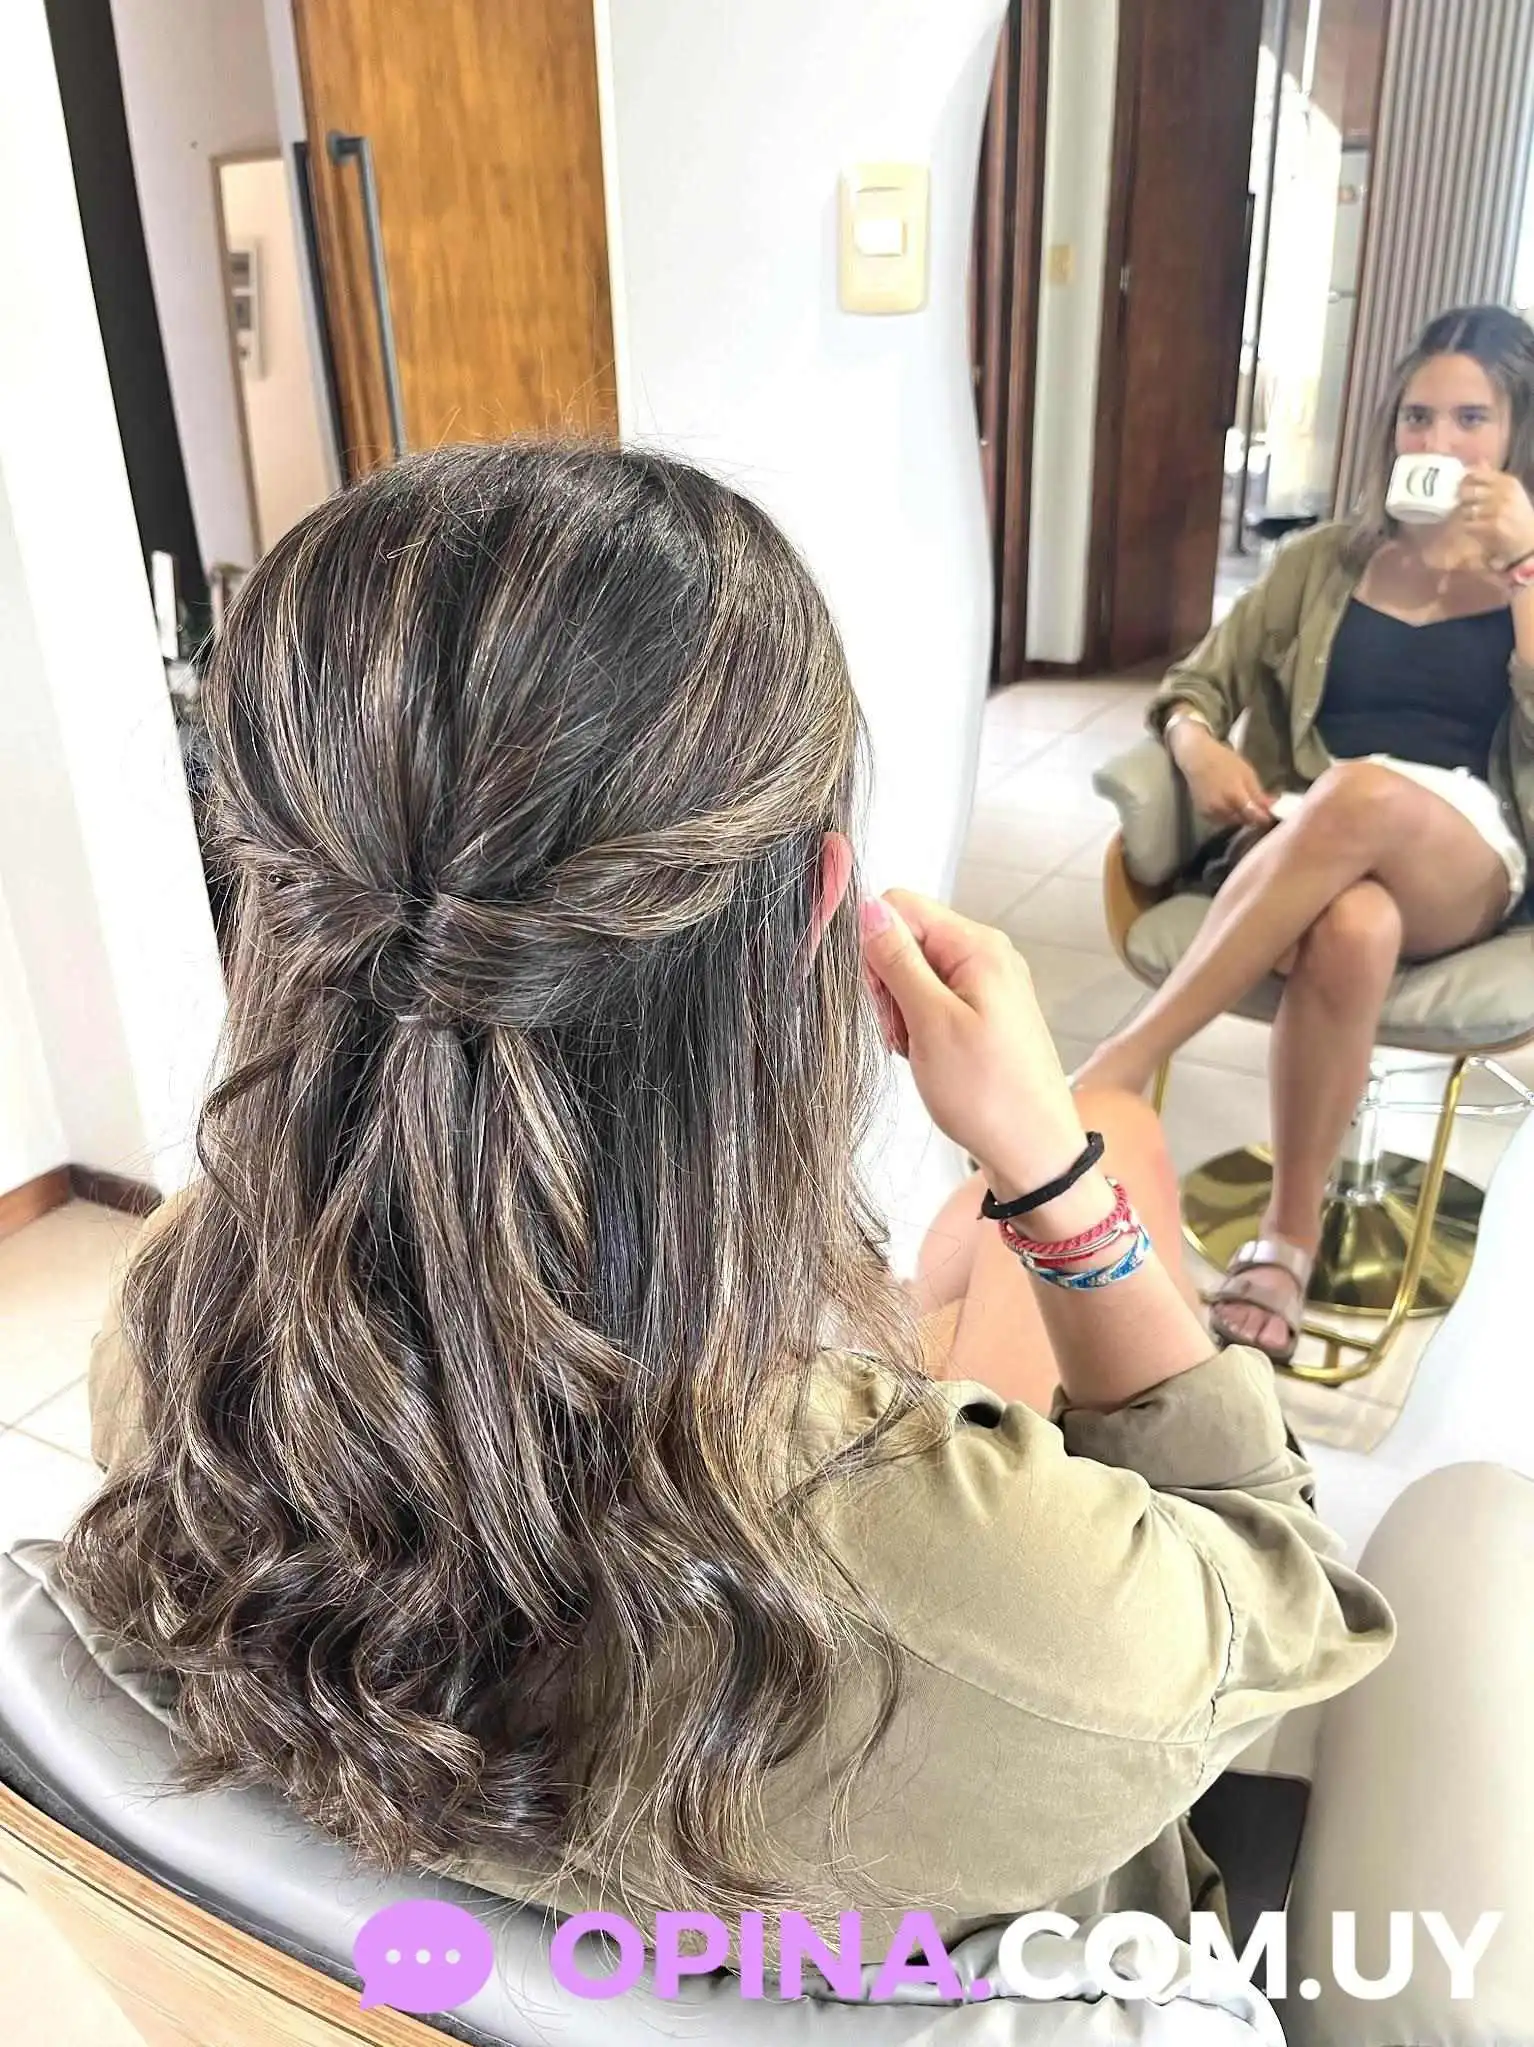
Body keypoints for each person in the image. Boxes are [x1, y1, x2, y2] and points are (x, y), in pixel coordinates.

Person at [65, 442, 1391, 1969]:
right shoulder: (1011, 1617)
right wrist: (1054, 1177)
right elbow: (1283, 1585)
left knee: (963, 1259)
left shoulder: (169, 1337)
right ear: (825, 906)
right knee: (1078, 1170)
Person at [1075, 304, 1534, 1365]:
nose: (1438, 440)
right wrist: (1195, 744)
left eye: (1471, 418)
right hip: (1310, 839)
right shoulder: (1322, 561)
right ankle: (1287, 1242)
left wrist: (1522, 566)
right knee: (1355, 923)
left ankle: (1122, 1060)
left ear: (1517, 434)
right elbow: (1197, 682)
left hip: (1467, 855)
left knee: (1362, 793)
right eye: (1417, 416)